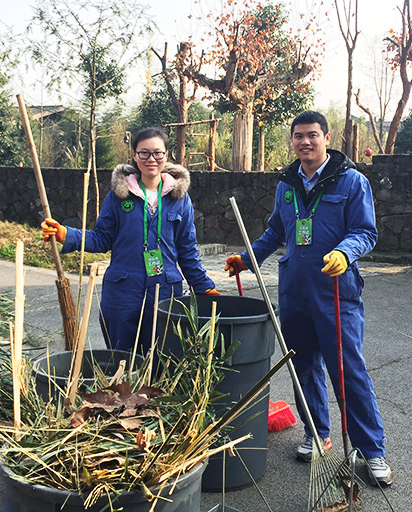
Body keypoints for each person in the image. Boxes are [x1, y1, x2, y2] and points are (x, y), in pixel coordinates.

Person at [224, 111, 392, 486]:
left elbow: (365, 232)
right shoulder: (287, 184)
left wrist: (345, 252)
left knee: (348, 371)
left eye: (312, 135)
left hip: (335, 291)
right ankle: (317, 434)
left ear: (327, 138)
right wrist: (248, 259)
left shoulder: (352, 182)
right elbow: (274, 232)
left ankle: (371, 450)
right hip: (295, 291)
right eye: (298, 136)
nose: (305, 142)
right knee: (304, 367)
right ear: (293, 141)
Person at [42, 127, 220, 354]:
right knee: (122, 358)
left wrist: (204, 287)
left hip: (164, 290)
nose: (151, 159)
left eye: (157, 153)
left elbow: (187, 252)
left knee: (161, 359)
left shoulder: (180, 199)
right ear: (134, 156)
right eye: (143, 153)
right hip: (122, 292)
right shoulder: (119, 195)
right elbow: (102, 238)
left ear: (167, 155)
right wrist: (66, 234)